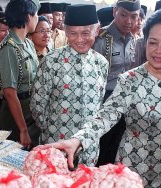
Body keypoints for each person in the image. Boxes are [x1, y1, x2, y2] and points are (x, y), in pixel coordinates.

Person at [45, 9, 161, 187]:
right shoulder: (130, 80)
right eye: (153, 42)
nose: (158, 51)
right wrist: (77, 140)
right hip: (130, 170)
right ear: (145, 41)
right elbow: (105, 116)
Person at [30, 4, 109, 166]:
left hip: (89, 147)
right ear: (65, 32)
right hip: (57, 145)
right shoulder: (51, 61)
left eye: (86, 33)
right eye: (73, 33)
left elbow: (100, 105)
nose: (79, 39)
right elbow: (38, 105)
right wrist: (51, 130)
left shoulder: (101, 63)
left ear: (97, 30)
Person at [93, 0, 140, 166]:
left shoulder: (133, 40)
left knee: (116, 146)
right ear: (114, 12)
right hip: (104, 100)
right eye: (123, 15)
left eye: (134, 16)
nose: (129, 21)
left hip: (126, 101)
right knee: (100, 146)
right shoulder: (100, 39)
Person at [0, 0, 40, 149]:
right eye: (36, 14)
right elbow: (9, 93)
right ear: (28, 16)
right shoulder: (9, 48)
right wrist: (23, 129)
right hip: (17, 115)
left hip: (31, 109)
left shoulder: (28, 43)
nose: (38, 18)